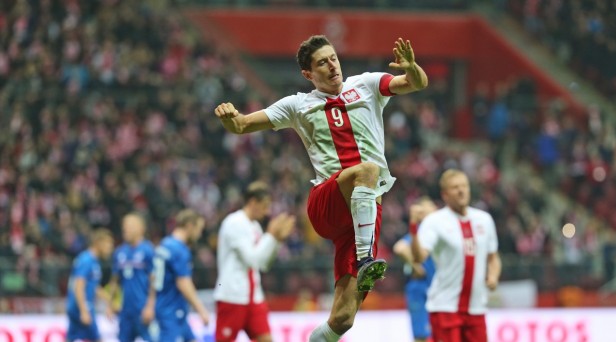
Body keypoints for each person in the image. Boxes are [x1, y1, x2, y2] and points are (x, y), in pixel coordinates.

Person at [214, 35, 428, 341]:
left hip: (364, 215)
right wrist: (229, 118)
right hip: (328, 202)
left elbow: (416, 83)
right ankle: (367, 260)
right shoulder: (298, 105)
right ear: (308, 74)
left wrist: (412, 67)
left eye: (333, 58)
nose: (331, 66)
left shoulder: (366, 84)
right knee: (368, 169)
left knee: (343, 318)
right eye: (321, 63)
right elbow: (243, 125)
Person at [411, 169, 502, 342]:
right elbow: (419, 257)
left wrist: (493, 275)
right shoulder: (435, 221)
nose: (461, 191)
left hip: (476, 307)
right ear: (445, 194)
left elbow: (493, 256)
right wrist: (414, 229)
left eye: (464, 186)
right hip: (445, 307)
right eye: (455, 187)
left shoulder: (484, 220)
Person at [214, 181, 295, 342]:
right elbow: (252, 259)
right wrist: (271, 235)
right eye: (264, 206)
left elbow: (263, 264)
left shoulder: (255, 227)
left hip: (254, 297)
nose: (267, 211)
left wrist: (277, 240)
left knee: (266, 339)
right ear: (252, 202)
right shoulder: (234, 223)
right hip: (233, 296)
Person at [152, 209, 211, 342]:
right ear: (190, 226)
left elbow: (153, 277)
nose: (199, 234)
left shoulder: (165, 244)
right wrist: (201, 309)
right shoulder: (179, 249)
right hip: (171, 310)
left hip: (167, 305)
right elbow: (183, 282)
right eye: (198, 229)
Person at [393, 198, 436, 342]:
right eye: (428, 208)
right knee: (421, 335)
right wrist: (415, 266)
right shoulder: (418, 235)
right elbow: (399, 248)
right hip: (420, 289)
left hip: (435, 289)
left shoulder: (436, 234)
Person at [107, 213, 155, 342]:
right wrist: (110, 304)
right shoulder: (119, 252)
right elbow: (115, 281)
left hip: (143, 308)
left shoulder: (148, 250)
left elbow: (154, 281)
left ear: (140, 228)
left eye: (128, 226)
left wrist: (150, 306)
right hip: (125, 311)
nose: (125, 230)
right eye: (124, 227)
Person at [66, 229, 115, 342]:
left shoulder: (94, 261)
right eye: (108, 244)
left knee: (70, 338)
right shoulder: (86, 260)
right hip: (83, 306)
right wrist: (83, 310)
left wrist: (108, 300)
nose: (110, 248)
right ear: (98, 243)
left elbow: (94, 287)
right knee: (97, 338)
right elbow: (78, 286)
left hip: (76, 307)